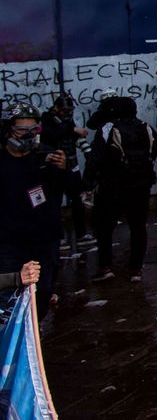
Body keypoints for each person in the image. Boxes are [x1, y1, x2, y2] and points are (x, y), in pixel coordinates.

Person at [0, 103, 79, 318]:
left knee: (43, 292)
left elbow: (75, 189)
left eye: (33, 130)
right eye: (21, 130)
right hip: (9, 243)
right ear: (8, 130)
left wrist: (63, 170)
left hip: (44, 240)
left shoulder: (44, 157)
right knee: (8, 296)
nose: (28, 135)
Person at [88, 96, 157, 284]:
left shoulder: (108, 129)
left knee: (104, 227)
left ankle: (106, 266)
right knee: (138, 227)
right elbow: (155, 149)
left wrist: (88, 184)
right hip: (141, 185)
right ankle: (135, 269)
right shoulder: (146, 127)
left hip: (113, 186)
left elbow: (95, 158)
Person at [40, 94, 94, 249]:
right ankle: (59, 237)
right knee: (54, 203)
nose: (67, 113)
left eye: (69, 110)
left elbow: (73, 138)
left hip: (71, 166)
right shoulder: (47, 121)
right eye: (64, 110)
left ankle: (81, 234)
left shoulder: (67, 121)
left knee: (77, 201)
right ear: (56, 108)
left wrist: (87, 152)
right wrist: (73, 130)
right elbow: (56, 134)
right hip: (55, 168)